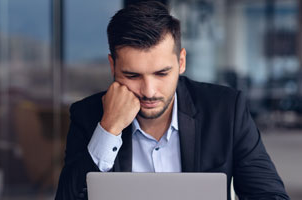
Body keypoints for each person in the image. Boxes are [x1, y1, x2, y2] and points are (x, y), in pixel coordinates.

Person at [55, 1, 289, 200]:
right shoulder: (89, 115)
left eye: (161, 73)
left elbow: (270, 195)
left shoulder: (225, 110)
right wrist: (108, 129)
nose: (149, 91)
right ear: (112, 66)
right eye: (132, 75)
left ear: (182, 62)